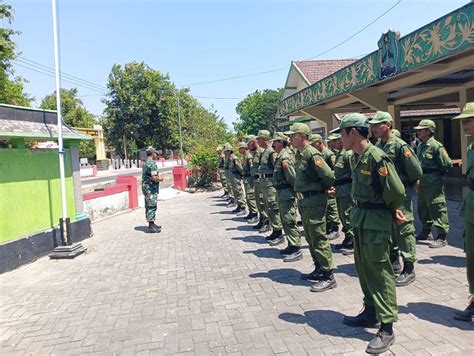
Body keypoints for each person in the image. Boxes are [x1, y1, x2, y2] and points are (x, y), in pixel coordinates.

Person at [332, 113, 405, 354]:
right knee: (363, 268)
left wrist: (393, 209)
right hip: (360, 219)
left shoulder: (376, 157)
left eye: (341, 133)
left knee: (380, 271)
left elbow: (394, 189)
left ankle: (387, 327)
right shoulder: (355, 157)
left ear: (353, 132)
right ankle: (370, 312)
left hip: (375, 221)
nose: (340, 138)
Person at [370, 111, 422, 287]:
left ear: (388, 125)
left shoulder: (400, 146)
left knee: (404, 228)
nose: (374, 128)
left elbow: (415, 170)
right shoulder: (377, 145)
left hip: (401, 194)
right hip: (385, 195)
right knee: (390, 228)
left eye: (378, 125)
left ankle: (409, 267)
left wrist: (408, 184)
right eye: (373, 125)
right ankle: (394, 261)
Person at [285, 123, 337, 293]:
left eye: (293, 135)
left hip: (314, 200)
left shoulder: (311, 153)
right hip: (304, 201)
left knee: (318, 236)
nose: (291, 139)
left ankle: (328, 275)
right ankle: (319, 268)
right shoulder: (300, 154)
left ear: (302, 136)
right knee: (310, 236)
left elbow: (328, 174)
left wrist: (324, 188)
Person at [451, 102, 474, 321]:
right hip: (472, 207)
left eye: (467, 120)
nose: (464, 125)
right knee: (472, 256)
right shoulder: (470, 148)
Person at [414, 119, 453, 248]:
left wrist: (435, 174)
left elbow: (446, 163)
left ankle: (442, 236)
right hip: (422, 180)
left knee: (437, 206)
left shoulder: (436, 146)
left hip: (433, 180)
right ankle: (426, 231)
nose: (419, 132)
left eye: (421, 130)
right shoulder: (420, 145)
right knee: (422, 206)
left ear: (429, 131)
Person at [271, 132, 303, 261]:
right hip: (282, 193)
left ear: (280, 142)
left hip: (287, 193)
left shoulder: (285, 156)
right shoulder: (280, 155)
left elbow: (292, 177)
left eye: (276, 141)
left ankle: (296, 248)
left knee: (289, 220)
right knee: (285, 219)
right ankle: (291, 244)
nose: (273, 144)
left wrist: (296, 191)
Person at [309, 133, 340, 240]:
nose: (312, 146)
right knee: (327, 206)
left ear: (319, 143)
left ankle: (334, 227)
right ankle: (328, 226)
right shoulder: (317, 154)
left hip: (330, 184)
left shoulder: (328, 154)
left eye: (313, 144)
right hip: (323, 185)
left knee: (332, 205)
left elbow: (335, 171)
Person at [328, 133, 354, 255]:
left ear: (340, 141)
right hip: (340, 190)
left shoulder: (347, 154)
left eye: (334, 141)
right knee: (343, 216)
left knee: (348, 215)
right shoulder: (339, 154)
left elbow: (353, 174)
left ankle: (353, 241)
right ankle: (348, 237)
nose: (331, 144)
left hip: (347, 190)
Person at [257, 130, 283, 241]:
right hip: (264, 183)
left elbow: (277, 168)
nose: (258, 141)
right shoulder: (265, 151)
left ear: (264, 139)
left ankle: (278, 232)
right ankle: (275, 230)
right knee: (269, 207)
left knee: (273, 207)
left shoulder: (271, 152)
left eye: (259, 139)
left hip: (270, 184)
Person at [142, 147, 164, 233]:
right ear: (153, 153)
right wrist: (161, 178)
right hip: (150, 188)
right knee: (151, 205)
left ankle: (152, 223)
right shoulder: (151, 164)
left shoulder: (145, 163)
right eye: (156, 153)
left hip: (146, 188)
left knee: (149, 205)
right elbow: (154, 177)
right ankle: (151, 226)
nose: (157, 155)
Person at [223, 143, 246, 215]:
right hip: (231, 176)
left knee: (238, 191)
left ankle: (242, 207)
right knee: (235, 192)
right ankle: (239, 206)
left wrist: (242, 175)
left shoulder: (234, 158)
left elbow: (240, 168)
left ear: (230, 151)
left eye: (226, 151)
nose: (225, 152)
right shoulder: (228, 158)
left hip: (236, 177)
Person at [238, 141, 258, 222]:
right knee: (248, 197)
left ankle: (255, 214)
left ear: (244, 148)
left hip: (250, 179)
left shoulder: (249, 156)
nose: (239, 150)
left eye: (240, 148)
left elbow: (252, 168)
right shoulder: (245, 156)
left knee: (251, 196)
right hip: (247, 179)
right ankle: (251, 212)